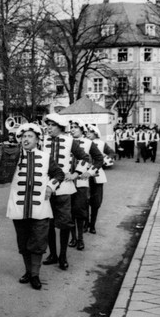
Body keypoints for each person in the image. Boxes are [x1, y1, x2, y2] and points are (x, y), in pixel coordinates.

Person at [5, 123, 65, 290]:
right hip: (19, 206)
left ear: (38, 140)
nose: (26, 139)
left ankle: (35, 275)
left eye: (30, 136)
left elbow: (59, 174)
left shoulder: (45, 157)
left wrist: (50, 187)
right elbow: (0, 172)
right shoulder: (13, 156)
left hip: (40, 207)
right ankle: (27, 271)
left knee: (38, 242)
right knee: (23, 241)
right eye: (24, 136)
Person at [41, 113, 91, 270]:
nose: (48, 127)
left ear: (60, 127)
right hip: (46, 187)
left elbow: (85, 158)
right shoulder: (42, 140)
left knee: (64, 223)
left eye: (52, 125)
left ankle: (63, 256)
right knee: (48, 223)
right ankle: (52, 254)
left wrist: (76, 173)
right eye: (47, 124)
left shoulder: (70, 141)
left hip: (64, 189)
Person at [67, 119, 104, 251]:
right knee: (69, 211)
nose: (72, 129)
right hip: (67, 180)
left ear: (82, 129)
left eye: (75, 127)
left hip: (81, 181)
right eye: (71, 127)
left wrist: (90, 172)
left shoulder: (89, 143)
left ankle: (81, 239)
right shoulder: (66, 141)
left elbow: (99, 158)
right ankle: (73, 238)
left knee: (80, 210)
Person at [85, 124, 115, 234]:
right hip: (85, 174)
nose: (87, 134)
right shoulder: (84, 142)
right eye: (87, 132)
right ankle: (85, 223)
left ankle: (92, 225)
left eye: (90, 132)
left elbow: (111, 153)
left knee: (96, 202)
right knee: (84, 201)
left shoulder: (101, 144)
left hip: (98, 175)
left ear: (95, 133)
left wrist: (105, 160)